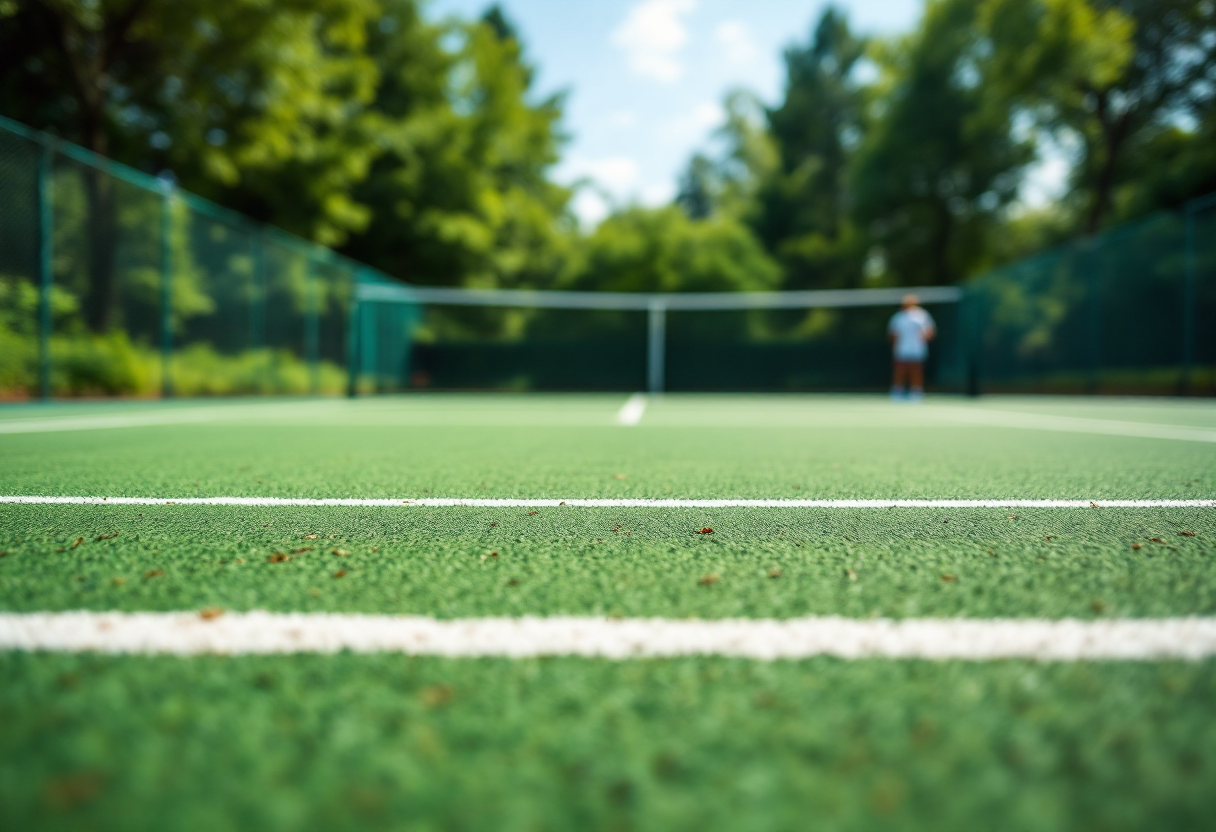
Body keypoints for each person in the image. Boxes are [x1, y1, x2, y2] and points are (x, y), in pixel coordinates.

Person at [888, 294, 935, 401]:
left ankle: (916, 391)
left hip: (917, 348)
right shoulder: (898, 317)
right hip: (902, 347)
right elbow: (892, 333)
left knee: (917, 369)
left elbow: (930, 331)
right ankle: (898, 390)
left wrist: (925, 336)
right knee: (901, 369)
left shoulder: (922, 315)